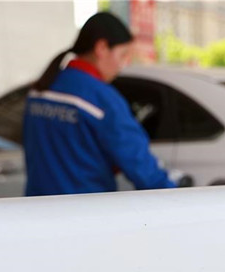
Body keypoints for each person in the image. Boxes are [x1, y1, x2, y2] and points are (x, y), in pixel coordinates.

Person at [23, 12, 176, 196]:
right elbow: (141, 166)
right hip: (85, 209)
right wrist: (175, 198)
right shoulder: (102, 99)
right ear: (102, 48)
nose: (122, 65)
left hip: (37, 207)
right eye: (122, 55)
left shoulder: (40, 90)